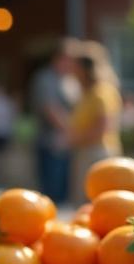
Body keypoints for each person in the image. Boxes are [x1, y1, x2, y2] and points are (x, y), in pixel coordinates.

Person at [69, 40, 123, 198]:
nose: (72, 72)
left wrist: (73, 139)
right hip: (85, 152)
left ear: (85, 69)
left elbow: (102, 128)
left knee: (97, 199)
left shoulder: (101, 92)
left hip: (97, 154)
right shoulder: (87, 94)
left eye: (75, 67)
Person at [31, 38, 82, 203]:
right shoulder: (46, 78)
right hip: (51, 143)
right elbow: (50, 109)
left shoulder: (70, 80)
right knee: (53, 193)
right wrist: (71, 131)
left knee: (65, 191)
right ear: (59, 58)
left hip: (67, 143)